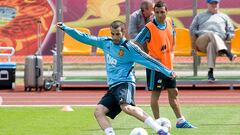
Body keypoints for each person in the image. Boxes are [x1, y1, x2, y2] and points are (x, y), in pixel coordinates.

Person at [56, 20, 175, 135]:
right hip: (113, 87)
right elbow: (85, 37)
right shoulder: (105, 42)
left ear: (123, 33)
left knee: (126, 107)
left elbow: (149, 60)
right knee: (99, 111)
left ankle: (160, 130)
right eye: (112, 34)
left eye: (117, 34)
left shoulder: (130, 48)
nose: (114, 37)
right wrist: (66, 28)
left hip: (125, 83)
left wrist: (167, 71)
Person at [134, 1, 196, 128]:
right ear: (154, 13)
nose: (159, 15)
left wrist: (171, 53)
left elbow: (172, 37)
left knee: (174, 92)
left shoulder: (169, 22)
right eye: (157, 12)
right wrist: (146, 56)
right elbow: (137, 42)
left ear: (166, 11)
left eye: (162, 12)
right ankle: (157, 123)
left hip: (168, 66)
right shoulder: (149, 27)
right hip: (155, 67)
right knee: (156, 94)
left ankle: (181, 121)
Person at [190, 0, 236, 82]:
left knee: (211, 45)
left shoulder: (224, 16)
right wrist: (199, 33)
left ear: (219, 4)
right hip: (202, 41)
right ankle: (227, 52)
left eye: (216, 3)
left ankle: (210, 72)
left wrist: (228, 36)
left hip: (217, 44)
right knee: (210, 33)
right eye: (212, 3)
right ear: (207, 4)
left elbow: (231, 31)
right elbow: (192, 29)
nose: (214, 5)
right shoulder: (200, 16)